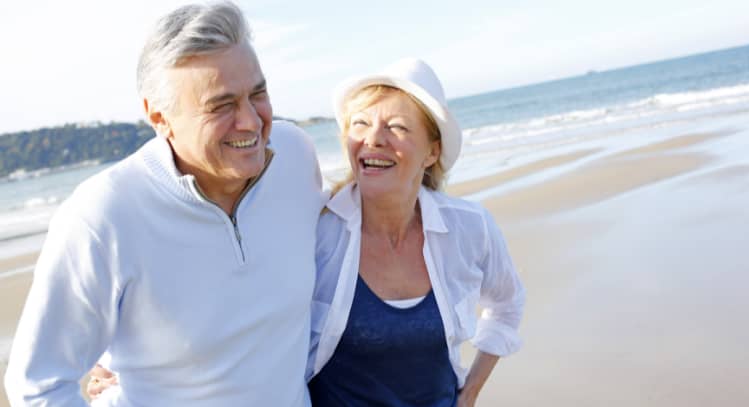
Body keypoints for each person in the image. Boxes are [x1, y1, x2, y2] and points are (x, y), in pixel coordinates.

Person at [3, 2, 325, 406]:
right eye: (221, 105)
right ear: (160, 117)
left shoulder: (296, 154)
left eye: (257, 93)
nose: (251, 121)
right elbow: (39, 386)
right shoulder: (103, 216)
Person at [304, 58, 525, 406]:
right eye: (360, 123)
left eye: (397, 127)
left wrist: (470, 393)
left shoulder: (469, 227)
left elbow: (507, 306)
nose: (373, 139)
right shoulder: (315, 231)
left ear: (432, 152)